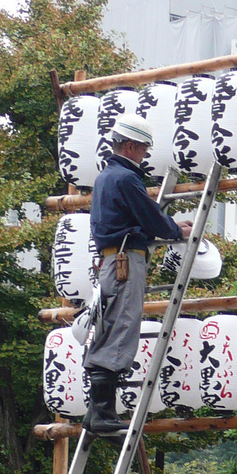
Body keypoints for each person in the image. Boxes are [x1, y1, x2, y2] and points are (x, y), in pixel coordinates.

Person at [82, 113, 193, 434]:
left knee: (109, 328)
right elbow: (151, 220)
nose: (144, 155)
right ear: (129, 146)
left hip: (111, 261)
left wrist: (167, 227)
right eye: (143, 149)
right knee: (122, 329)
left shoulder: (106, 177)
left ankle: (96, 412)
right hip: (126, 261)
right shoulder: (125, 179)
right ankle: (103, 414)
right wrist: (175, 230)